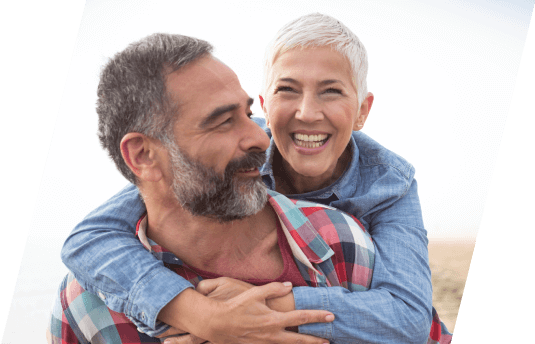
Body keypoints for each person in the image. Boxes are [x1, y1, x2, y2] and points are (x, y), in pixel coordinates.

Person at [60, 13, 452, 344]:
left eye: (331, 92)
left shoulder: (387, 187)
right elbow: (91, 236)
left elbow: (409, 316)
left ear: (362, 111)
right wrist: (200, 313)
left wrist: (258, 310)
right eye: (287, 90)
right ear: (265, 104)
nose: (307, 113)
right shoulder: (242, 151)